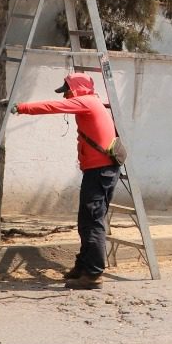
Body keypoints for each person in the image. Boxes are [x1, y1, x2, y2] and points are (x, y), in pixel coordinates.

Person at [13, 74, 122, 288]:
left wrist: (21, 107)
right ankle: (83, 266)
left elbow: (53, 106)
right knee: (86, 221)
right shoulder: (91, 102)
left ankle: (92, 274)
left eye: (67, 89)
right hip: (100, 170)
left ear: (77, 89)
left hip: (100, 171)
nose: (65, 94)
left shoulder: (87, 101)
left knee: (92, 221)